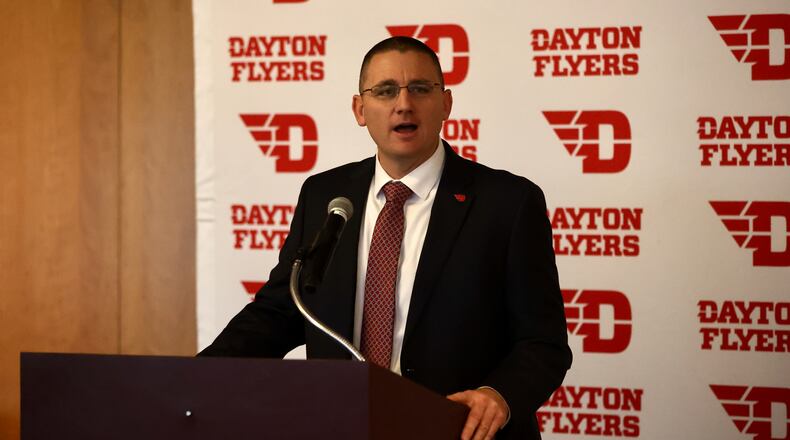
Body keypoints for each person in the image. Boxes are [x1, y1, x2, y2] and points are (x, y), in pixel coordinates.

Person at [200, 36, 571, 440]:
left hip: (456, 431)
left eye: (420, 89)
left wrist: (499, 395)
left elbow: (543, 342)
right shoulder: (325, 195)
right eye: (386, 90)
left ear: (446, 103)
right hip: (344, 425)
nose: (404, 104)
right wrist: (194, 377)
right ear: (360, 110)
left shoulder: (507, 203)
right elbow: (281, 311)